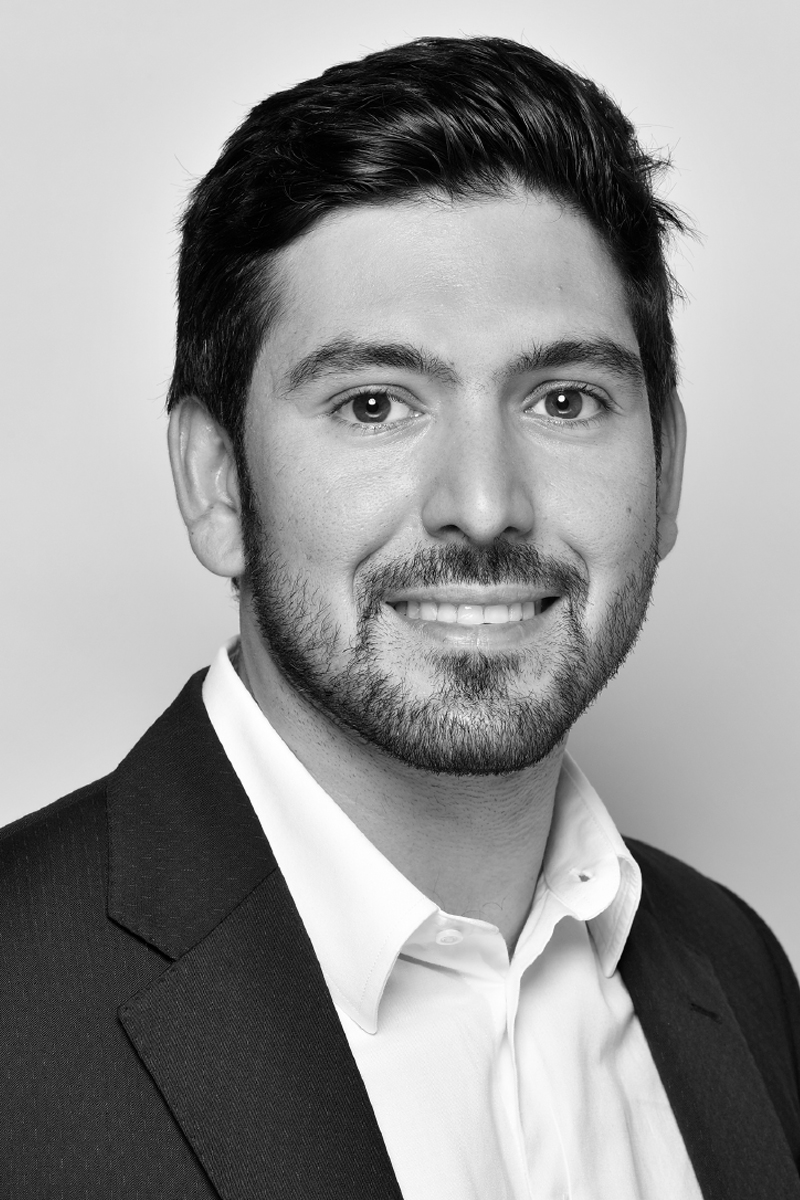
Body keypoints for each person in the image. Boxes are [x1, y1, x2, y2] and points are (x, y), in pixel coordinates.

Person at [2, 34, 799, 1200]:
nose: (481, 504)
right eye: (373, 403)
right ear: (216, 483)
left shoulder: (736, 972)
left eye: (564, 399)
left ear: (665, 466)